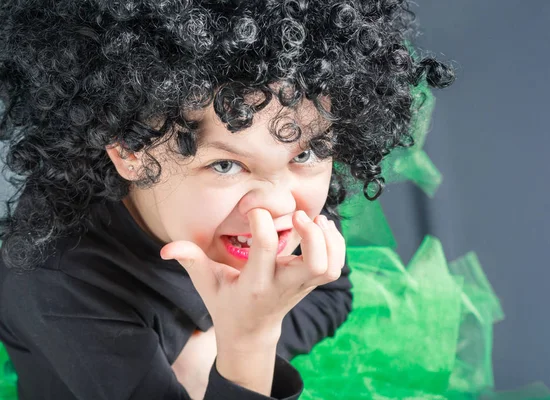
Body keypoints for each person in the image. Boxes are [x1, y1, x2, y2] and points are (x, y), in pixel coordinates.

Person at [0, 0, 452, 399]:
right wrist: (248, 344)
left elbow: (331, 290)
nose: (275, 206)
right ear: (131, 152)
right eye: (225, 166)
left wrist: (219, 350)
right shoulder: (54, 276)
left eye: (307, 154)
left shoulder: (283, 198)